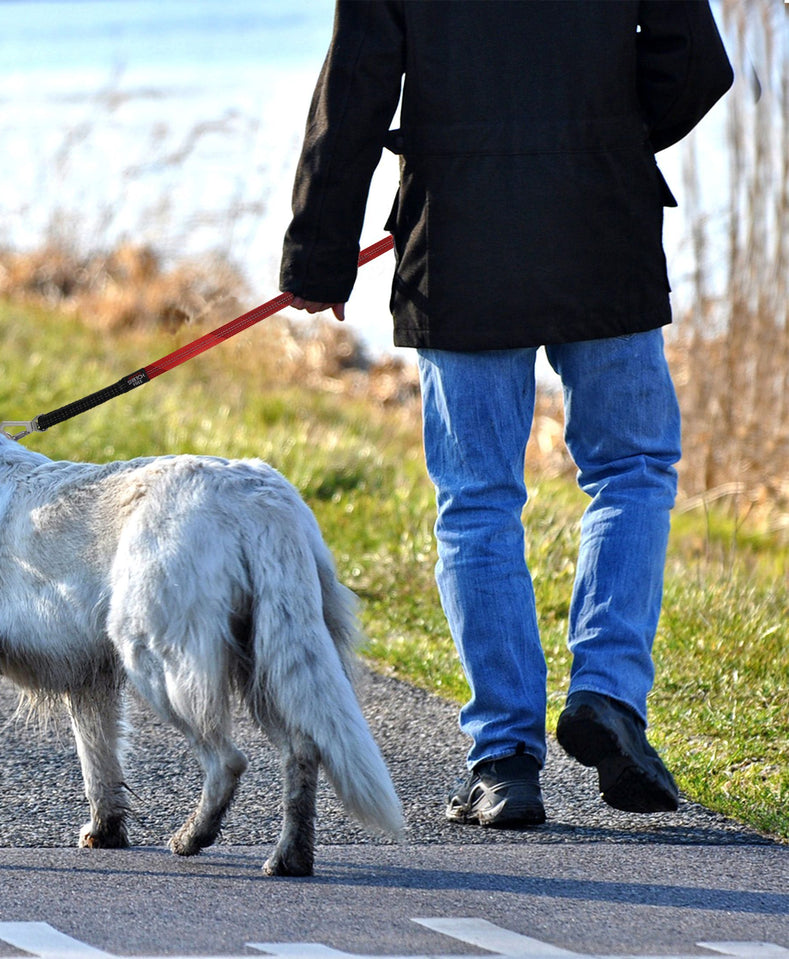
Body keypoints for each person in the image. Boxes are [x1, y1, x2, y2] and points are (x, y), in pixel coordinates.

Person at [279, 1, 733, 827]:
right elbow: (696, 66)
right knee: (631, 470)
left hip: (459, 242)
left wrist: (318, 250)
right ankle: (607, 694)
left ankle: (503, 760)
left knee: (478, 497)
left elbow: (355, 88)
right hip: (603, 225)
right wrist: (606, 140)